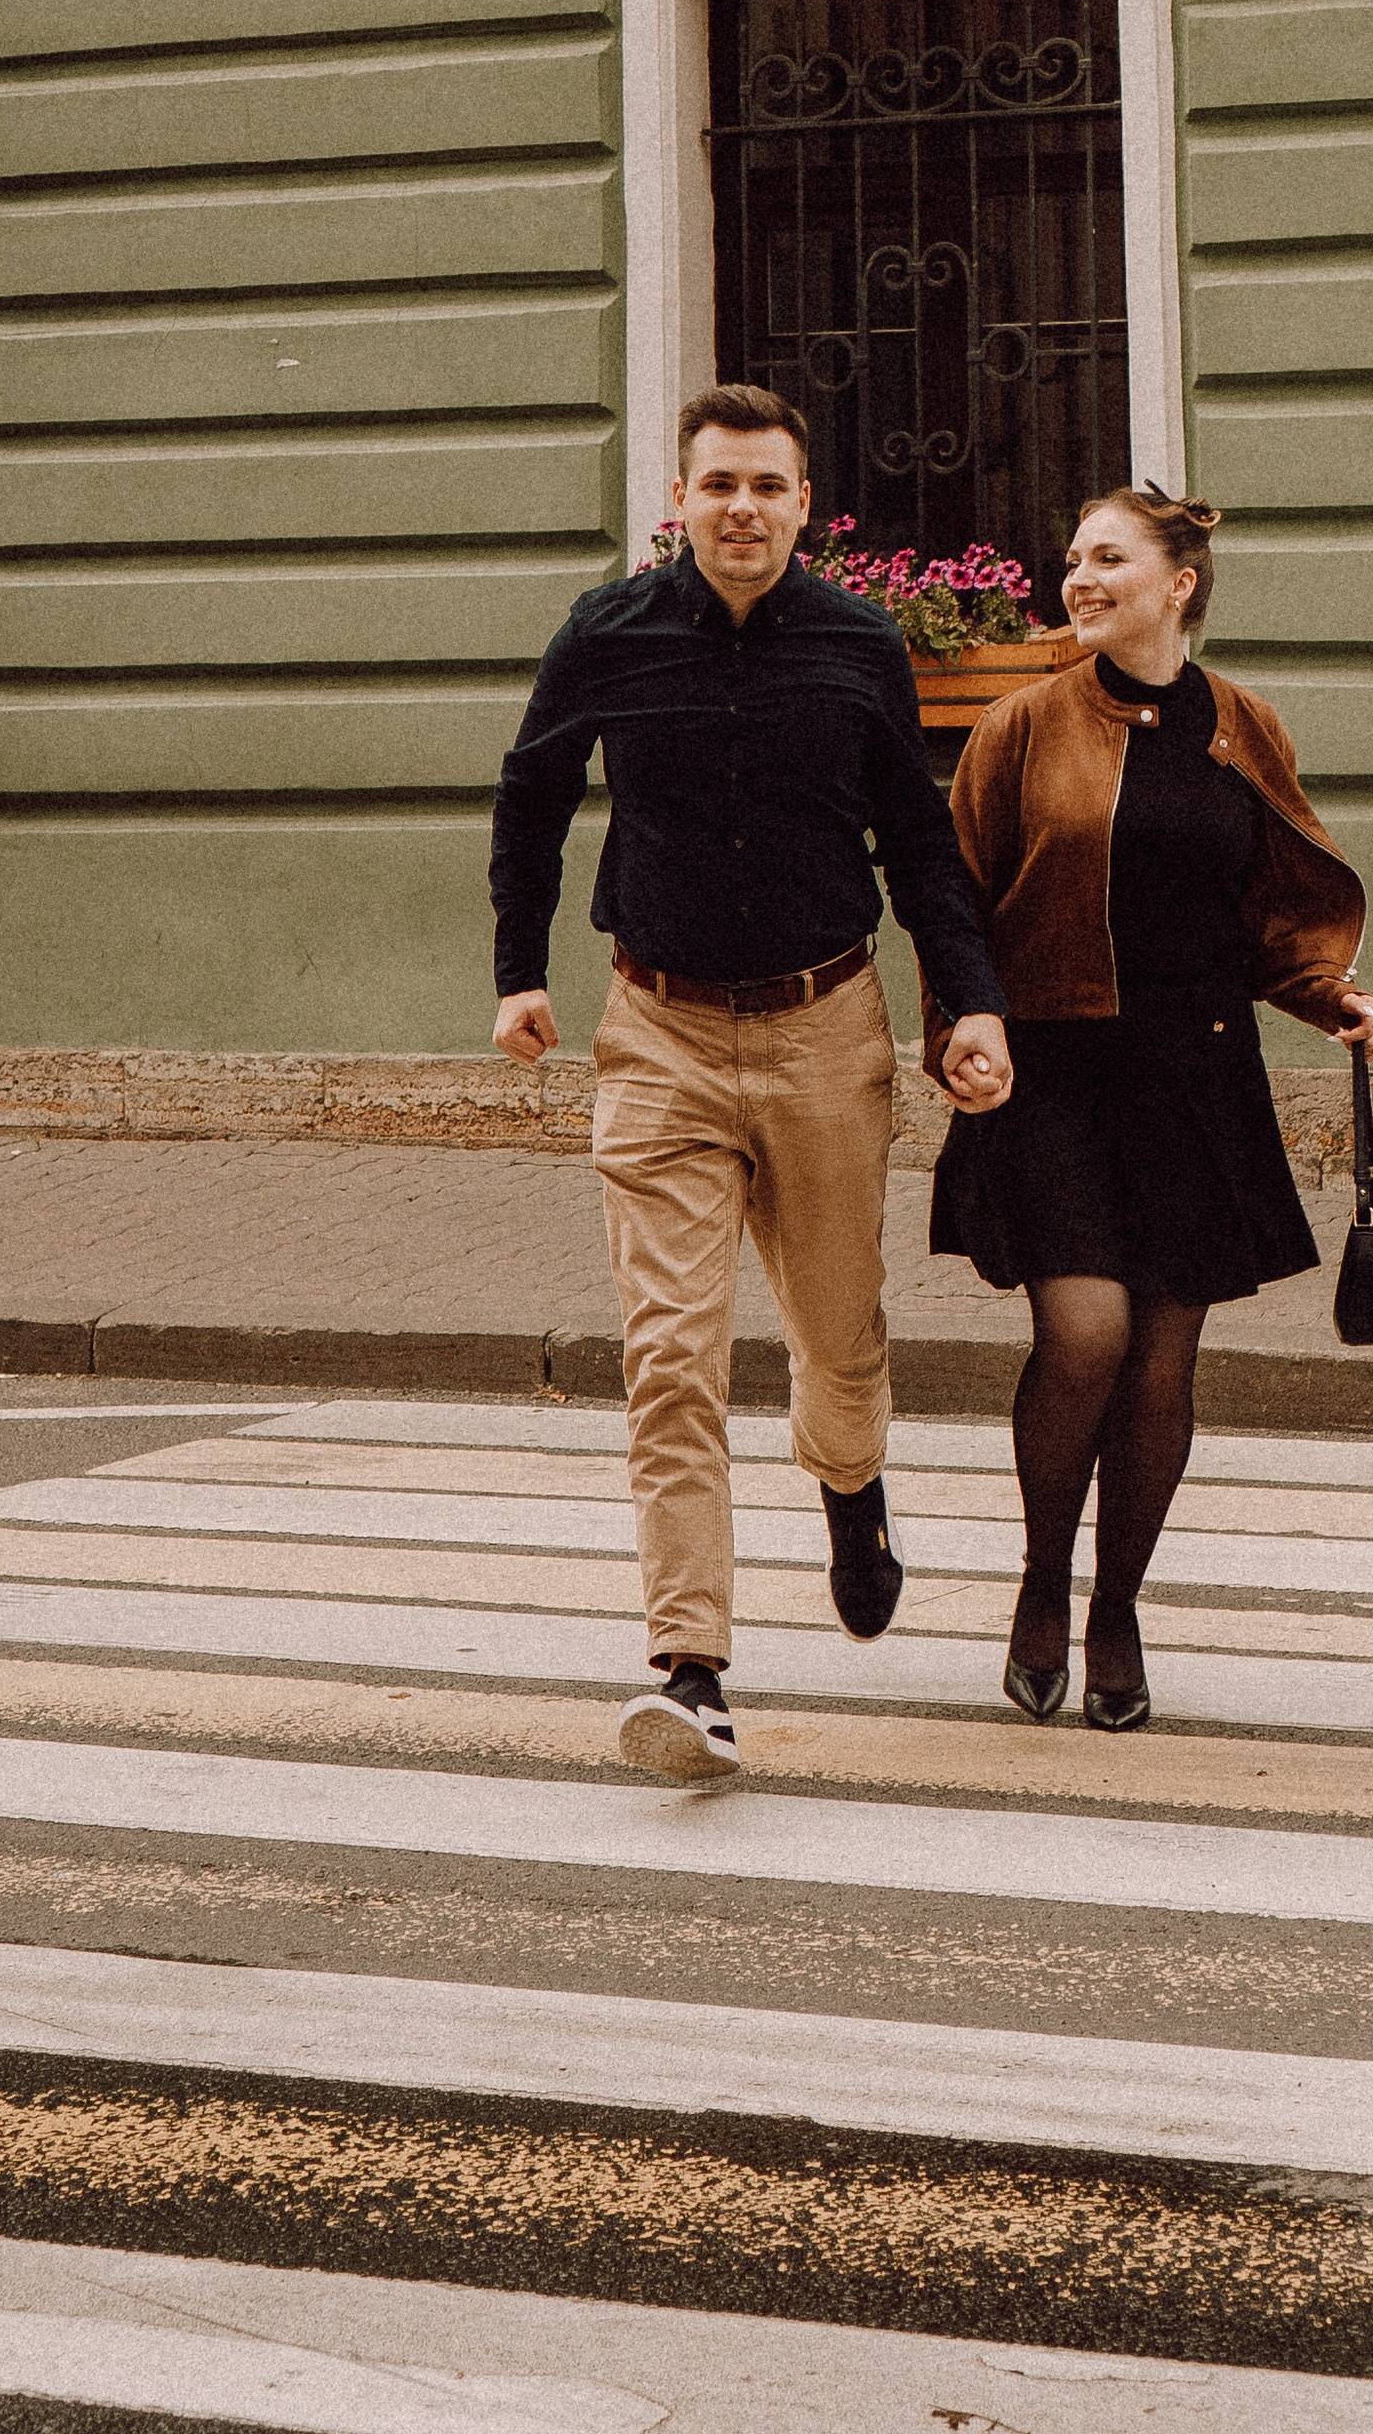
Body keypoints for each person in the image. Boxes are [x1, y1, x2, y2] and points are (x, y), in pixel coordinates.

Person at [489, 385, 1013, 1785]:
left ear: (803, 505)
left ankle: (851, 1484)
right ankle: (692, 1667)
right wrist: (518, 970)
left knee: (839, 1337)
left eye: (768, 488)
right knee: (672, 1361)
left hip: (825, 1026)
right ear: (684, 499)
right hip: (655, 1033)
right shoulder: (606, 633)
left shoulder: (857, 643)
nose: (742, 510)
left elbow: (916, 832)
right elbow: (531, 794)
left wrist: (965, 1001)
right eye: (718, 485)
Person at [929, 484, 1373, 1732]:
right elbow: (953, 897)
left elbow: (1271, 897)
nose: (1077, 577)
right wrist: (955, 1035)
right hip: (1054, 1074)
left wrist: (1323, 993)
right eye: (1071, 557)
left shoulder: (1241, 725)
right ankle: (1038, 1580)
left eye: (1106, 558)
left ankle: (1115, 1606)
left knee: (1162, 1367)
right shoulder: (1019, 725)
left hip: (1197, 1075)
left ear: (1177, 584)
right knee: (1084, 1337)